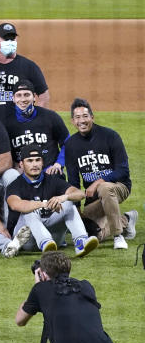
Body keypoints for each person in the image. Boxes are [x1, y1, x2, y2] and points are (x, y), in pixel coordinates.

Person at [15, 251, 120, 343]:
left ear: (43, 274)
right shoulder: (86, 286)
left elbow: (20, 320)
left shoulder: (40, 289)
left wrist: (37, 286)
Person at [63, 98, 135, 250]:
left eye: (85, 116)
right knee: (94, 235)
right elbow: (74, 181)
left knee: (104, 188)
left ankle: (118, 236)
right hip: (93, 198)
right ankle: (126, 219)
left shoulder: (110, 136)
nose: (82, 120)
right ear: (72, 121)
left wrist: (98, 182)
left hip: (119, 187)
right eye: (77, 117)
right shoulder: (70, 145)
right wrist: (77, 210)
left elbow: (123, 170)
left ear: (92, 117)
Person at [6, 144, 99, 256]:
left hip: (53, 238)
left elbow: (80, 194)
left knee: (69, 203)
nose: (34, 164)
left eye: (37, 160)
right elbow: (16, 205)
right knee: (29, 212)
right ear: (21, 164)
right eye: (30, 161)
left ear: (42, 162)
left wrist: (64, 197)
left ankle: (81, 242)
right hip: (27, 240)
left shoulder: (52, 180)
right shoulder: (15, 185)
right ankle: (45, 242)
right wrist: (45, 204)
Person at [0, 23, 50, 120]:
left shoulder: (29, 66)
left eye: (13, 38)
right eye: (6, 39)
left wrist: (36, 121)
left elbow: (44, 96)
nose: (10, 42)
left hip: (20, 128)